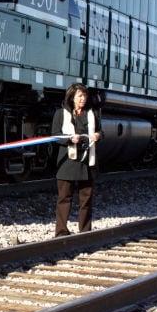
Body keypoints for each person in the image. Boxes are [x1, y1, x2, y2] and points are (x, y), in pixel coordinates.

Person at [51, 82, 103, 237]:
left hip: (87, 162)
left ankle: (85, 231)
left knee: (86, 199)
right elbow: (55, 135)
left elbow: (101, 132)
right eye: (80, 95)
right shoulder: (60, 113)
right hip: (67, 162)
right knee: (64, 198)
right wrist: (68, 139)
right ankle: (61, 232)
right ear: (72, 97)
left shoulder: (92, 113)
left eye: (85, 95)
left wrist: (98, 136)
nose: (83, 98)